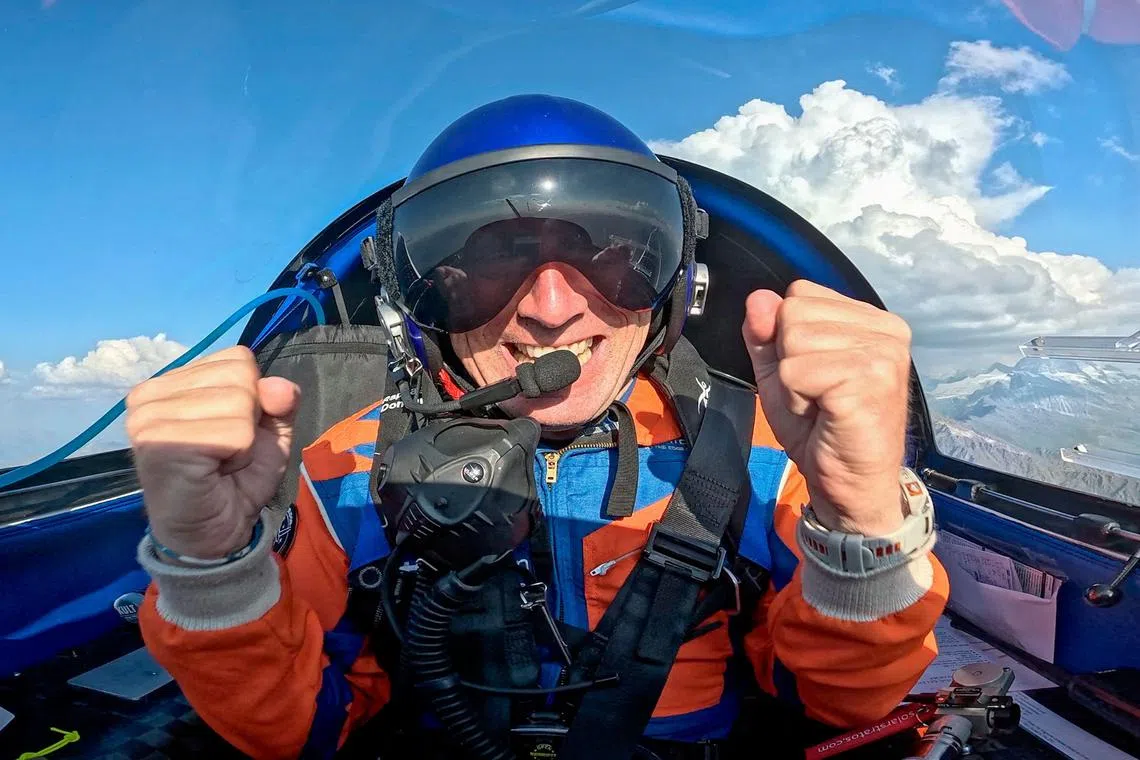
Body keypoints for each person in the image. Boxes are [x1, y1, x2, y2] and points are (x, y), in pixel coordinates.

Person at [126, 95, 948, 760]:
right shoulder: (339, 472)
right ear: (423, 298)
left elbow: (836, 707)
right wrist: (212, 572)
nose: (552, 310)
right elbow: (295, 734)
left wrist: (860, 515)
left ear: (674, 284)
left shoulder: (765, 454)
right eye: (493, 260)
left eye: (612, 254)